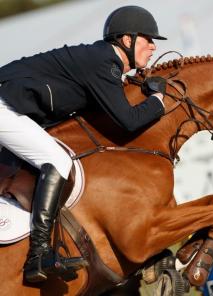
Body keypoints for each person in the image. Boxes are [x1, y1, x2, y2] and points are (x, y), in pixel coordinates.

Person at [0, 5, 167, 283]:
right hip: (4, 107)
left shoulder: (102, 63)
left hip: (10, 107)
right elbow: (128, 121)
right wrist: (158, 101)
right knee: (59, 160)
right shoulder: (104, 62)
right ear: (127, 40)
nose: (152, 46)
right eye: (148, 39)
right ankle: (38, 254)